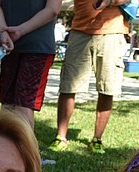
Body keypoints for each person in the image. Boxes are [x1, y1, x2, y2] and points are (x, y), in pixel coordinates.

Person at [48, 0, 131, 154]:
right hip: (80, 30)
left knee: (107, 87)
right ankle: (61, 136)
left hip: (112, 32)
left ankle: (97, 139)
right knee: (68, 85)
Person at [0, 0, 61, 136]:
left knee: (11, 102)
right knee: (21, 103)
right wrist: (13, 31)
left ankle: (16, 153)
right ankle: (17, 154)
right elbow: (53, 9)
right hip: (30, 45)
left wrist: (4, 32)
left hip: (19, 44)